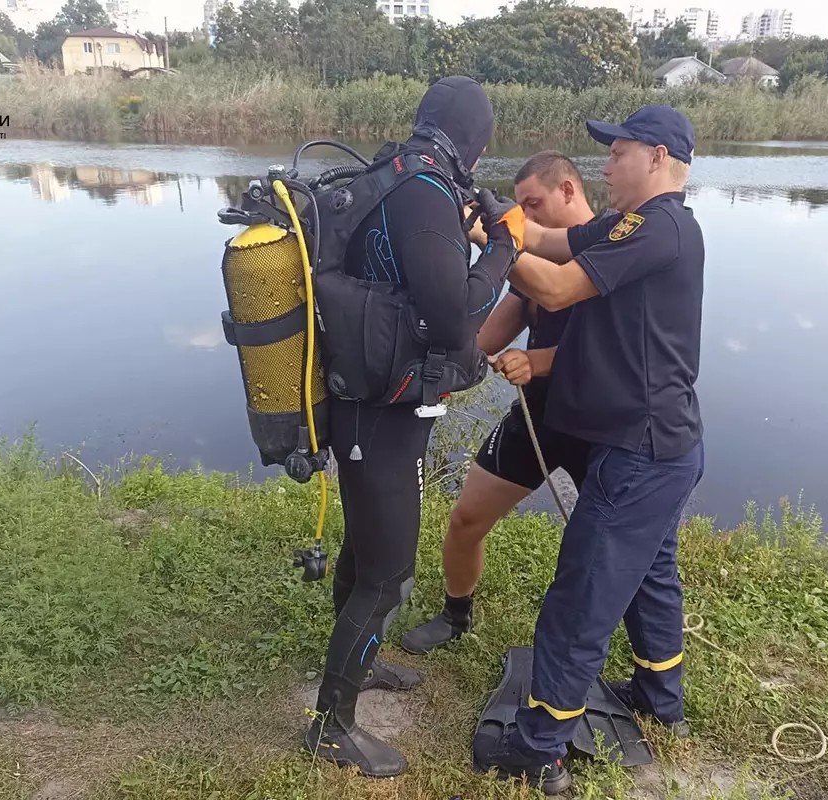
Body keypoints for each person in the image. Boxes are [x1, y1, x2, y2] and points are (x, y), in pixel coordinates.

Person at [471, 105, 706, 794]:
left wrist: (496, 252)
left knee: (583, 592)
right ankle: (661, 700)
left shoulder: (660, 229)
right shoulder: (630, 224)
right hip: (659, 444)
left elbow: (555, 283)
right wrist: (500, 224)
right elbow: (550, 240)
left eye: (619, 152)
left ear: (657, 157)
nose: (606, 165)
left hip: (643, 452)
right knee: (651, 575)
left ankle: (540, 742)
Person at [303, 76, 522, 778]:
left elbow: (408, 277)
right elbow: (454, 313)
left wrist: (466, 234)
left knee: (368, 550)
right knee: (391, 576)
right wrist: (503, 249)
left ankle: (356, 674)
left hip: (370, 403)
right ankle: (332, 727)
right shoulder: (424, 190)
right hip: (379, 413)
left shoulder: (394, 176)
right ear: (475, 144)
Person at [401, 151, 597, 655]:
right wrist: (430, 363)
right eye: (520, 210)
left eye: (534, 205)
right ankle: (455, 614)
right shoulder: (536, 267)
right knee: (467, 519)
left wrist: (537, 360)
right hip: (537, 416)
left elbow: (609, 353)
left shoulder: (612, 249)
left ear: (569, 190)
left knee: (608, 546)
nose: (526, 220)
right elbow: (487, 335)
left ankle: (619, 644)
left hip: (600, 425)